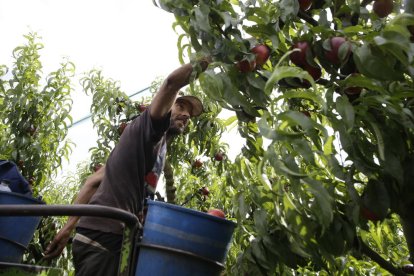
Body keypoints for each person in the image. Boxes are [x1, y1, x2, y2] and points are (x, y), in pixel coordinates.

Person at [43, 60, 208, 275]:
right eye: (180, 106)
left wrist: (68, 228)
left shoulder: (156, 147)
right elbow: (170, 83)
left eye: (189, 113)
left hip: (111, 238)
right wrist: (213, 55)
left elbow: (93, 181)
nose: (186, 115)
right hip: (103, 237)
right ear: (166, 106)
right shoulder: (148, 127)